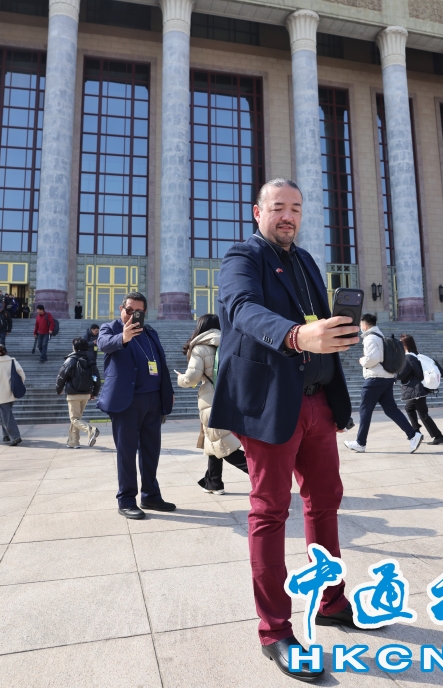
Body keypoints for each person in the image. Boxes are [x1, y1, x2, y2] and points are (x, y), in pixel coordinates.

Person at [210, 178, 360, 682]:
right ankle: (274, 630)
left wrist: (337, 332)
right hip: (271, 404)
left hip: (318, 401)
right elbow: (241, 309)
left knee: (325, 502)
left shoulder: (306, 261)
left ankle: (330, 601)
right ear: (258, 212)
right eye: (278, 208)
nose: (288, 216)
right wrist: (296, 335)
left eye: (295, 208)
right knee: (271, 511)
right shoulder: (243, 256)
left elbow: (319, 319)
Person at [97, 291, 175, 520]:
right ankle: (126, 500)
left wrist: (167, 392)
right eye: (129, 310)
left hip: (153, 400)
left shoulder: (150, 333)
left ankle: (150, 495)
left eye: (138, 312)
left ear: (145, 313)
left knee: (151, 451)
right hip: (127, 402)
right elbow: (103, 344)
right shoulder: (111, 328)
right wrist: (123, 337)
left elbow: (161, 364)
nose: (132, 315)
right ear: (121, 309)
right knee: (127, 452)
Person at [177, 313, 248, 495]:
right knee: (213, 439)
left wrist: (181, 379)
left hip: (211, 399)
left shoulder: (200, 347)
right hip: (231, 397)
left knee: (225, 446)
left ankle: (264, 476)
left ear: (200, 327)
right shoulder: (228, 342)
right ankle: (213, 482)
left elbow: (192, 378)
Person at [344, 313, 423, 454]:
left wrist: (362, 361)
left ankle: (360, 443)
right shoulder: (380, 336)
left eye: (361, 324)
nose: (361, 327)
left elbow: (373, 358)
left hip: (375, 379)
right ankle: (413, 435)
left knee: (365, 410)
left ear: (365, 325)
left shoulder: (370, 338)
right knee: (391, 410)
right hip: (386, 377)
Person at [398, 333, 443, 445]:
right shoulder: (418, 356)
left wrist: (394, 372)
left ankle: (438, 436)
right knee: (409, 408)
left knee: (423, 414)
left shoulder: (409, 358)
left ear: (405, 345)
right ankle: (416, 432)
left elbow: (401, 375)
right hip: (420, 389)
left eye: (401, 344)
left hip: (417, 391)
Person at [56, 337, 101, 449]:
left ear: (74, 348)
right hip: (86, 394)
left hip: (73, 394)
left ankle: (91, 430)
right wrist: (94, 393)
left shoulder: (71, 360)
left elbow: (61, 376)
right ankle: (73, 442)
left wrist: (59, 388)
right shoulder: (90, 361)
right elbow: (96, 379)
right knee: (77, 418)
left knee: (74, 419)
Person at [0, 344, 25, 446]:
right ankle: (6, 435)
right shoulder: (12, 361)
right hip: (11, 392)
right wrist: (18, 385)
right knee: (4, 413)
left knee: (6, 415)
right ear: (6, 352)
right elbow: (22, 375)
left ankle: (15, 437)